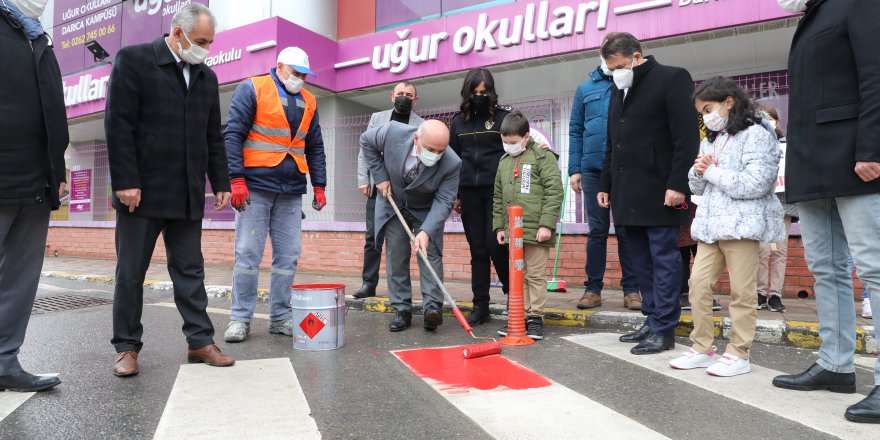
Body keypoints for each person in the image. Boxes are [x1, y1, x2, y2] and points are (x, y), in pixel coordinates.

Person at [105, 3, 234, 377]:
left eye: (210, 42)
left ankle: (200, 341)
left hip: (187, 193)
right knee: (130, 273)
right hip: (140, 195)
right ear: (177, 34)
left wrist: (220, 180)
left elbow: (213, 136)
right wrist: (126, 180)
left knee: (191, 271)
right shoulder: (135, 60)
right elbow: (118, 124)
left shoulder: (207, 79)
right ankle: (126, 347)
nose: (205, 48)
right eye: (200, 41)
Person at [771, 0, 880, 423]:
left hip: (857, 158)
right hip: (814, 165)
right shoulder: (814, 14)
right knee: (826, 268)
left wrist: (873, 147)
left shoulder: (860, 3)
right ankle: (836, 365)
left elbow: (876, 76)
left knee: (873, 267)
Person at [669, 76, 784, 377]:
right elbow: (700, 186)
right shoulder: (712, 137)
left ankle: (739, 353)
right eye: (701, 112)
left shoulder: (759, 133)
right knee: (697, 285)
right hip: (711, 224)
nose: (706, 116)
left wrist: (713, 172)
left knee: (741, 292)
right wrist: (697, 171)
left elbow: (757, 183)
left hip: (743, 223)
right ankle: (702, 347)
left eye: (709, 108)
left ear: (729, 101)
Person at [597, 32, 700, 355]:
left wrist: (678, 184)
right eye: (610, 69)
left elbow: (686, 139)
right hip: (627, 192)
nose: (616, 73)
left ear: (637, 56)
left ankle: (664, 327)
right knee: (640, 261)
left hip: (661, 190)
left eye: (620, 66)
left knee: (664, 260)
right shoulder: (620, 90)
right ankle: (651, 317)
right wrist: (605, 184)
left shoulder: (673, 78)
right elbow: (613, 143)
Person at [222, 47, 328, 343]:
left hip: (291, 189)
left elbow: (315, 146)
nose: (301, 79)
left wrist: (319, 185)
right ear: (280, 67)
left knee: (288, 256)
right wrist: (236, 180)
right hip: (255, 185)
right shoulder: (253, 88)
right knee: (247, 254)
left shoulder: (309, 101)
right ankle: (240, 319)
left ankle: (280, 317)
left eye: (304, 75)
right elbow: (233, 135)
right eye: (296, 73)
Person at [0, 0, 66, 392]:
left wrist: (55, 171)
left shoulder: (39, 38)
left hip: (36, 179)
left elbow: (52, 112)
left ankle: (6, 361)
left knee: (21, 280)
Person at [361, 120, 461, 332]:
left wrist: (426, 231)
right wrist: (380, 177)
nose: (435, 154)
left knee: (429, 253)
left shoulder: (452, 163)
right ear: (417, 139)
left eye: (440, 151)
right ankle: (401, 309)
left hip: (425, 208)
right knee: (396, 253)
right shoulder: (392, 133)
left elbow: (444, 201)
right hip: (393, 201)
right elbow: (366, 141)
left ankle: (432, 308)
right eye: (430, 149)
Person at [569, 39, 641, 311]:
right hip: (592, 169)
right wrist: (575, 169)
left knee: (626, 230)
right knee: (597, 231)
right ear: (601, 55)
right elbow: (575, 130)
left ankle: (632, 290)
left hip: (623, 169)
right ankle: (592, 289)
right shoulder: (585, 89)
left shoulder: (632, 82)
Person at [493, 112, 564, 340]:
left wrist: (546, 225)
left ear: (525, 137)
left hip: (537, 231)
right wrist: (500, 228)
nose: (508, 146)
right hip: (513, 231)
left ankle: (535, 318)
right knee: (518, 275)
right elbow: (497, 197)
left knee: (535, 275)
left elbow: (554, 192)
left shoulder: (543, 157)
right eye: (504, 142)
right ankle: (519, 316)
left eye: (512, 142)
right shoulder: (504, 162)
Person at [449, 68, 510, 326]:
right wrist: (455, 194)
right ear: (467, 93)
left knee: (497, 246)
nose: (479, 96)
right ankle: (480, 306)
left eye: (483, 92)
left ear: (491, 92)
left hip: (497, 192)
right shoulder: (457, 122)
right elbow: (452, 160)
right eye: (474, 92)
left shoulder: (504, 118)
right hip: (469, 193)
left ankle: (515, 296)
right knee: (478, 250)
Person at [354, 82, 424, 299]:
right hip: (378, 186)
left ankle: (402, 289)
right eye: (400, 94)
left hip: (404, 190)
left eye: (409, 95)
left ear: (415, 100)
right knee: (372, 237)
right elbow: (365, 149)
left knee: (399, 242)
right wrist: (364, 179)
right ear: (392, 96)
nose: (404, 97)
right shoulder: (378, 119)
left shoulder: (421, 124)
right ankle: (368, 283)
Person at [756, 106, 798, 313]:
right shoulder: (754, 144)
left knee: (780, 250)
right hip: (761, 204)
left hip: (783, 204)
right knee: (762, 250)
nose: (768, 122)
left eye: (771, 118)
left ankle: (775, 295)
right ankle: (761, 292)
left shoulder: (787, 145)